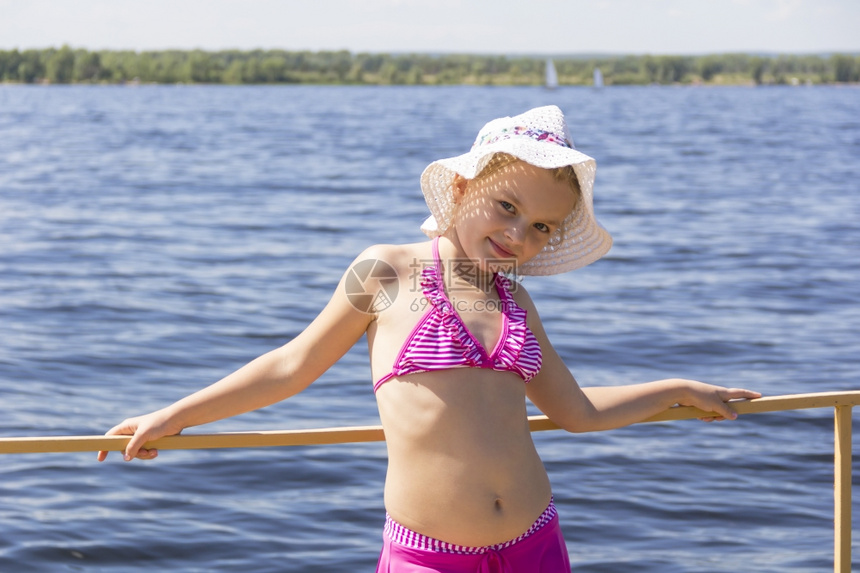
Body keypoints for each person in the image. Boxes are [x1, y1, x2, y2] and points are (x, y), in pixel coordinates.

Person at [98, 105, 760, 572]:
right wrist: (174, 413)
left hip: (536, 544)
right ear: (465, 187)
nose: (519, 235)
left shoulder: (516, 300)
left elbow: (576, 411)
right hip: (430, 557)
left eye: (541, 227)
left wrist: (677, 388)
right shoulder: (385, 270)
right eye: (507, 207)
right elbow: (292, 364)